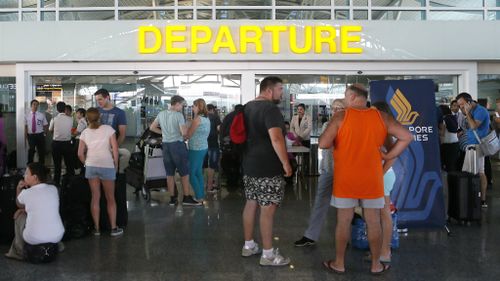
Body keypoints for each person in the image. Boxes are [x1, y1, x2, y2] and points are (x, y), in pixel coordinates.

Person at [319, 84, 412, 275]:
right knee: (373, 221)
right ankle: (376, 265)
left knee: (343, 221)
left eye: (346, 97)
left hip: (346, 179)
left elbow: (323, 143)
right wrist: (387, 156)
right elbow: (406, 136)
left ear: (352, 97)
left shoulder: (341, 117)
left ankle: (339, 263)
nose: (344, 101)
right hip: (373, 179)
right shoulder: (381, 117)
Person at [241, 76, 292, 266]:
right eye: (280, 89)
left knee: (251, 203)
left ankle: (248, 246)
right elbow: (276, 139)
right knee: (268, 208)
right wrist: (286, 164)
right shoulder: (270, 109)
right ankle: (268, 255)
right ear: (269, 90)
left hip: (249, 164)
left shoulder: (247, 107)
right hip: (268, 167)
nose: (282, 93)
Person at [294, 98, 345, 247]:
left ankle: (345, 237)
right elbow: (324, 145)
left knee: (345, 207)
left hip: (345, 171)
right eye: (333, 108)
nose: (335, 111)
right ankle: (310, 235)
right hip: (328, 169)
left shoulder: (350, 126)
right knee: (320, 202)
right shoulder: (326, 125)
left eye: (339, 108)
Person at [5, 162, 64, 262]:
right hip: (58, 235)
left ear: (35, 177)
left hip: (33, 237)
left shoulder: (26, 193)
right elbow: (40, 206)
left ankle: (18, 252)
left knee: (19, 216)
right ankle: (59, 245)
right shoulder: (53, 189)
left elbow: (19, 204)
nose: (24, 175)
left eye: (27, 173)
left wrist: (18, 189)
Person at [78, 108, 123, 237]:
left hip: (91, 166)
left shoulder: (85, 132)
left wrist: (86, 163)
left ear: (87, 118)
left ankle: (96, 229)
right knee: (110, 199)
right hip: (107, 165)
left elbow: (80, 153)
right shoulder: (109, 130)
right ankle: (113, 228)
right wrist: (116, 166)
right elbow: (115, 150)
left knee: (95, 197)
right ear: (99, 117)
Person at [149, 95, 201, 206]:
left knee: (169, 174)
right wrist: (188, 129)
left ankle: (172, 199)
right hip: (177, 146)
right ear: (177, 104)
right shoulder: (178, 116)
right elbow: (184, 134)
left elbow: (152, 127)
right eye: (182, 105)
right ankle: (186, 197)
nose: (182, 107)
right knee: (184, 173)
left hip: (166, 146)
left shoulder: (161, 114)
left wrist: (163, 133)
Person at [370, 101, 398, 264]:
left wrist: (380, 174)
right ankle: (380, 250)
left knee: (383, 214)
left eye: (374, 112)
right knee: (377, 215)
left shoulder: (387, 130)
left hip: (383, 176)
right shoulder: (378, 128)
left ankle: (385, 251)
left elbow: (393, 156)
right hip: (378, 175)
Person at [456, 92, 491, 208]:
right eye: (459, 105)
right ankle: (479, 199)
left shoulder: (480, 111)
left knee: (476, 173)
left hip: (476, 146)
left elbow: (474, 126)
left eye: (462, 105)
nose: (460, 108)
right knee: (478, 172)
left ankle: (478, 199)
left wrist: (467, 113)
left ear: (469, 102)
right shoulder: (473, 111)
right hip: (472, 145)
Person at [94, 89, 131, 174]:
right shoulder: (96, 111)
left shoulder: (119, 113)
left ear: (107, 97)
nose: (98, 102)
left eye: (100, 99)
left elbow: (122, 134)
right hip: (97, 148)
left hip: (111, 147)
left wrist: (114, 149)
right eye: (97, 100)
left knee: (126, 155)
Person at [185, 99, 210, 202]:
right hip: (203, 147)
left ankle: (199, 196)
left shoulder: (197, 119)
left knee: (191, 174)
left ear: (199, 107)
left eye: (194, 106)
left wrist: (182, 134)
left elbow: (189, 134)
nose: (192, 108)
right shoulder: (206, 119)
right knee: (198, 172)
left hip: (195, 149)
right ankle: (201, 194)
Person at [49, 101, 75, 186]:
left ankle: (56, 182)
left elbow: (50, 130)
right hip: (67, 144)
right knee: (69, 164)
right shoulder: (71, 119)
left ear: (57, 109)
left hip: (56, 144)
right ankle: (71, 181)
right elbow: (71, 129)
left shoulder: (54, 119)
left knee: (57, 164)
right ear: (65, 109)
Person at [25, 99, 48, 165]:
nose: (35, 106)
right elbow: (25, 127)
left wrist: (44, 134)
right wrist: (26, 137)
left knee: (41, 152)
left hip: (40, 135)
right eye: (34, 104)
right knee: (31, 151)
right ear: (31, 105)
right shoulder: (27, 115)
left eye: (37, 105)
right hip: (31, 136)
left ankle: (41, 167)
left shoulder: (41, 115)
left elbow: (46, 125)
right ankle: (30, 167)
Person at [438, 104, 460, 172]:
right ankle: (454, 181)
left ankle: (450, 181)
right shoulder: (453, 117)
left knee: (448, 166)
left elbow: (442, 133)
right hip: (455, 144)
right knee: (452, 165)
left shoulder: (444, 119)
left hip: (447, 145)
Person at [205, 104, 222, 193]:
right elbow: (219, 128)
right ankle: (210, 186)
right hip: (213, 144)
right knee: (212, 166)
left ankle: (204, 185)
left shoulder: (202, 117)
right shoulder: (215, 117)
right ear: (212, 109)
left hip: (203, 145)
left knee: (204, 167)